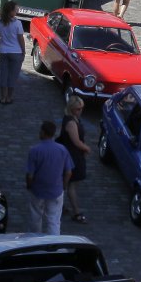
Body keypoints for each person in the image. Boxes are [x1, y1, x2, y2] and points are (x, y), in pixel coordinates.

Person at [25, 120, 72, 235]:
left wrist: (29, 185)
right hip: (56, 190)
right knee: (54, 220)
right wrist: (64, 185)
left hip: (38, 190)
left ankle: (34, 240)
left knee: (35, 217)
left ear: (43, 132)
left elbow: (30, 175)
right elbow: (68, 172)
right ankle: (54, 242)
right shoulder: (62, 149)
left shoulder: (35, 150)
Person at [59, 95, 90, 223]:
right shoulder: (71, 122)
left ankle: (60, 205)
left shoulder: (74, 119)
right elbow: (76, 142)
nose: (80, 111)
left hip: (73, 154)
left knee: (67, 183)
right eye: (78, 109)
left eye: (81, 108)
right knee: (70, 184)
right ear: (71, 108)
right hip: (72, 156)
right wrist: (87, 148)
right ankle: (76, 212)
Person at [0, 0, 25, 104]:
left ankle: (3, 97)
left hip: (4, 51)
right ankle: (9, 97)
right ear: (11, 11)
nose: (17, 11)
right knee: (13, 76)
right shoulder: (18, 23)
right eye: (15, 10)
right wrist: (23, 51)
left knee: (3, 75)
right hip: (16, 52)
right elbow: (21, 39)